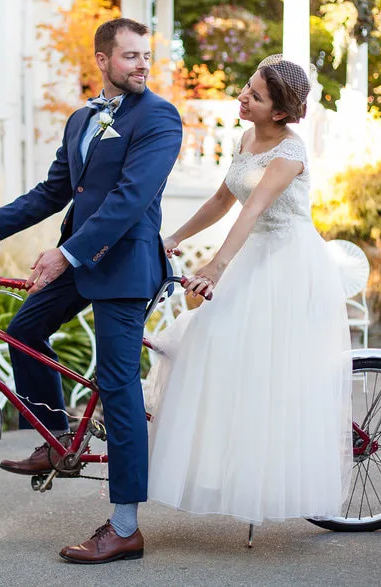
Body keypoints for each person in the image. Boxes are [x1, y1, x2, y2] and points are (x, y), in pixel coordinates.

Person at [0, 18, 182, 564]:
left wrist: (65, 255)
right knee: (25, 329)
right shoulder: (82, 118)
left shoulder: (160, 118)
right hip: (80, 260)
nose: (142, 65)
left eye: (145, 56)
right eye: (129, 56)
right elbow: (54, 191)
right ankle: (55, 440)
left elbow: (128, 200)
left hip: (124, 268)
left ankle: (125, 527)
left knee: (117, 382)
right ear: (102, 60)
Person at [146, 56, 353, 528]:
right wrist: (173, 238)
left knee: (264, 367)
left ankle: (265, 480)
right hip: (254, 255)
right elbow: (224, 199)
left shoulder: (290, 153)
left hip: (286, 262)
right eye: (247, 86)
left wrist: (218, 267)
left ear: (280, 112)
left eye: (255, 96)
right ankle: (223, 468)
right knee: (208, 346)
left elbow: (254, 209)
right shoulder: (245, 137)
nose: (242, 96)